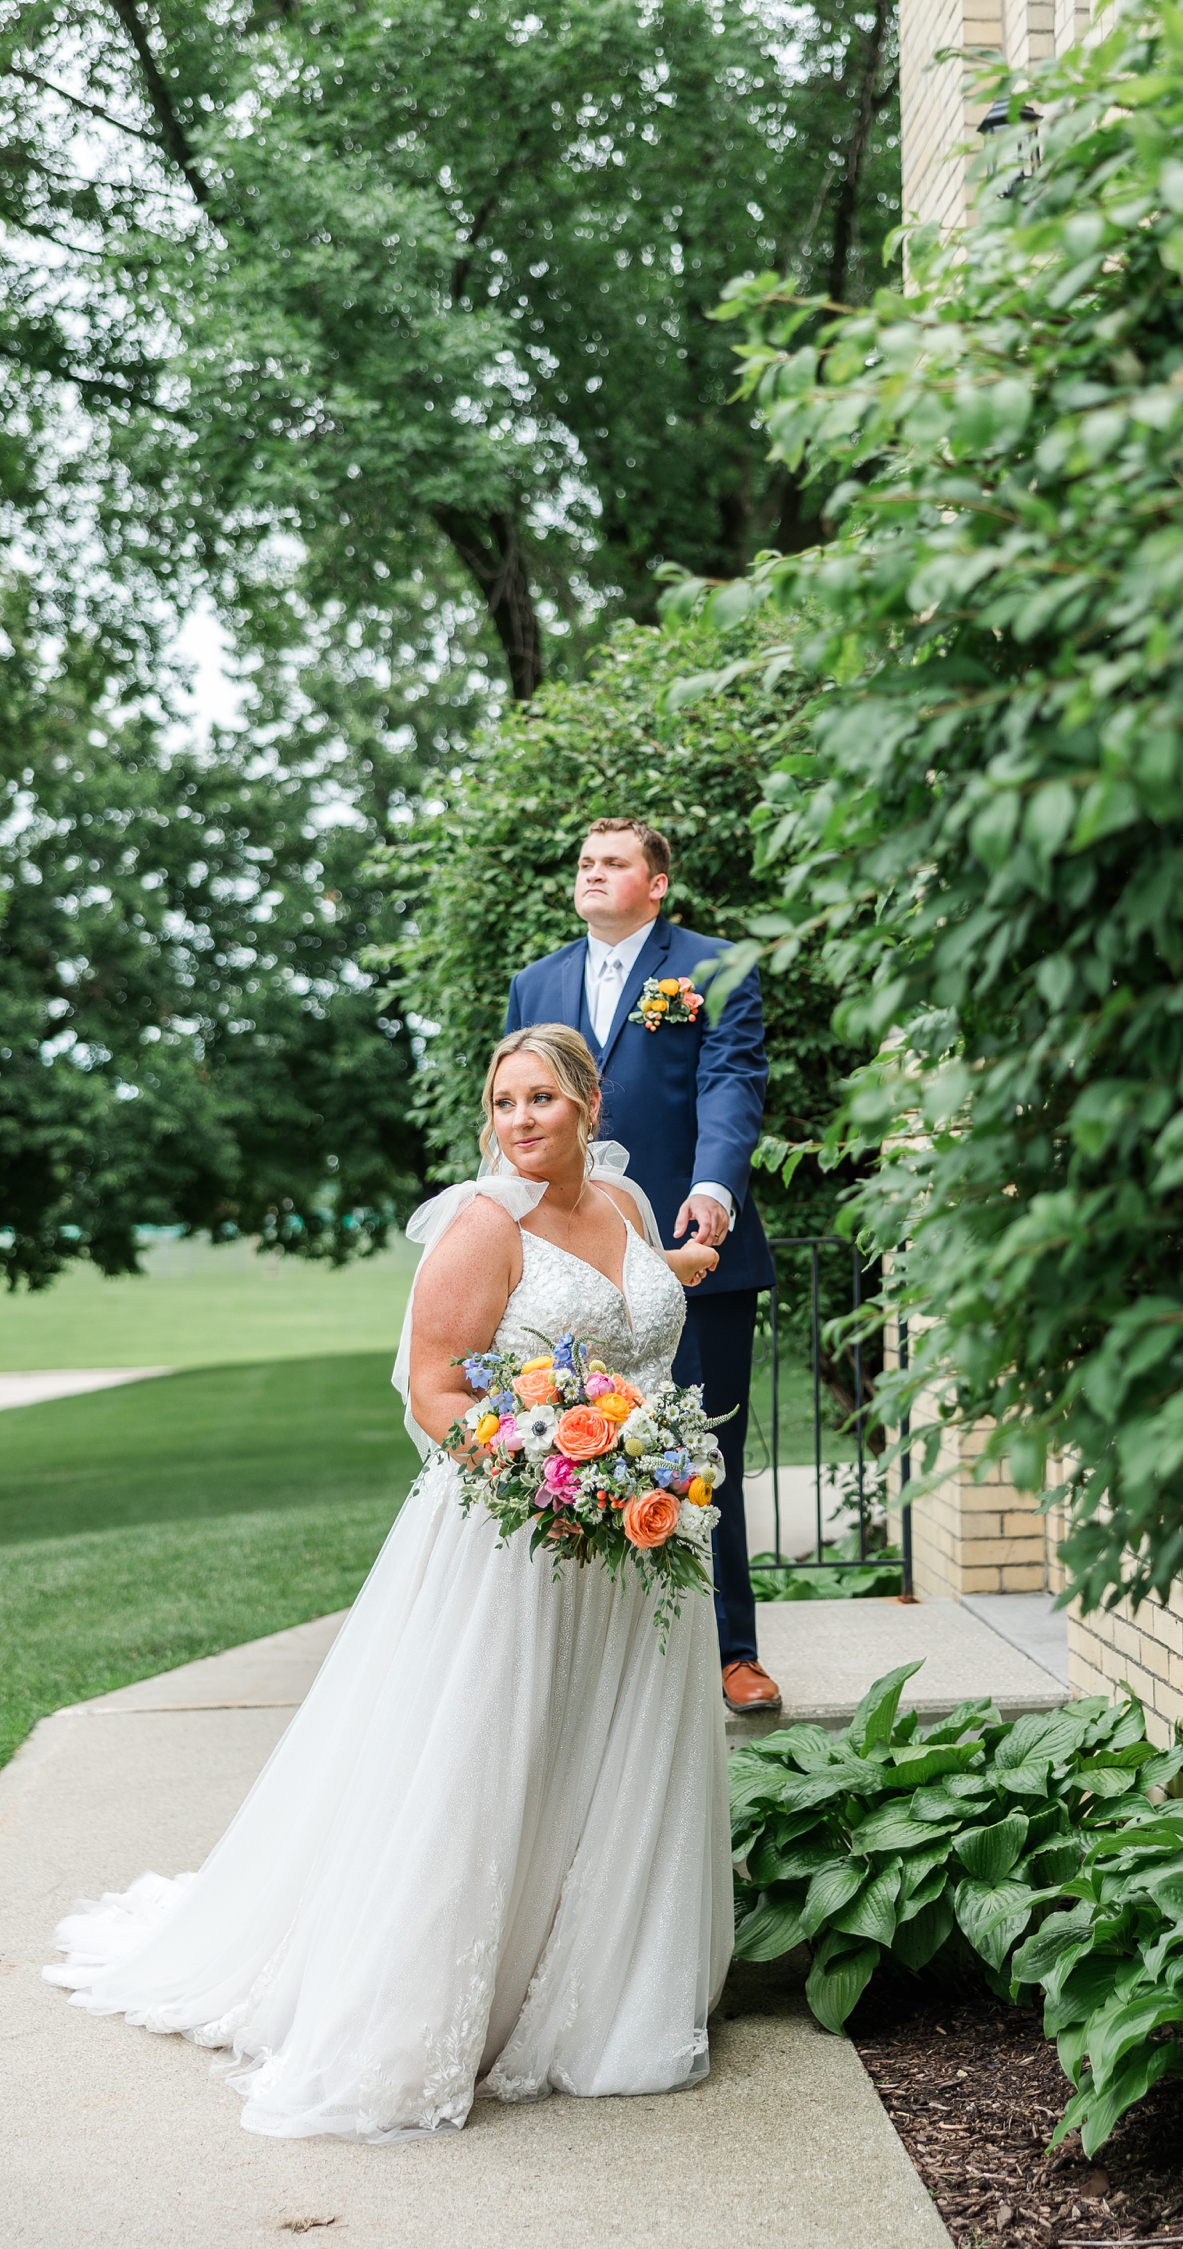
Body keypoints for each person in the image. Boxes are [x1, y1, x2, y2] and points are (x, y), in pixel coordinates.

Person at [44, 1026, 733, 2141]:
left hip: (648, 1533)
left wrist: (647, 1434)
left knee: (620, 1750)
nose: (519, 1119)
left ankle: (604, 1992)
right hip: (526, 1535)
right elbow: (433, 1386)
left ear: (589, 1103)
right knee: (492, 1752)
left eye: (542, 1098)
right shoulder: (480, 1226)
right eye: (503, 1101)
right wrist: (556, 1472)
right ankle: (439, 2000)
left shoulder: (634, 1210)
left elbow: (649, 1312)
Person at [504, 818, 783, 1714]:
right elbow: (519, 1113)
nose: (592, 873)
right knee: (576, 1447)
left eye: (613, 862)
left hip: (696, 1251)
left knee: (710, 1451)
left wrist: (714, 1189)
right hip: (568, 1263)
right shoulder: (535, 982)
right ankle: (594, 1667)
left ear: (656, 884)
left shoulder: (711, 967)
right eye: (584, 862)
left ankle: (732, 1653)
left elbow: (730, 1083)